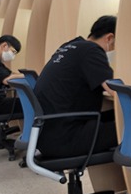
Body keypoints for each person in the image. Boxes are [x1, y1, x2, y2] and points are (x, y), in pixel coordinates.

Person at [34, 15, 117, 158]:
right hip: (66, 138)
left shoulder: (70, 46)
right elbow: (115, 91)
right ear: (109, 38)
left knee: (116, 115)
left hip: (47, 134)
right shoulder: (92, 50)